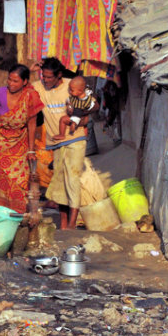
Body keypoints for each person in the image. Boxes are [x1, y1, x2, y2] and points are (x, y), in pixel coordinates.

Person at [32, 58, 98, 229]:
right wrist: (32, 70)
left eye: (49, 77)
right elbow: (23, 86)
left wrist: (81, 114)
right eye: (43, 76)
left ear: (59, 75)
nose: (45, 80)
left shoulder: (72, 85)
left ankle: (72, 223)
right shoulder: (39, 86)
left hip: (75, 139)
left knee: (73, 178)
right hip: (55, 143)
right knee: (60, 181)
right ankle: (63, 223)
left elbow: (95, 104)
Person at [0, 64, 44, 213]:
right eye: (9, 80)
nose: (11, 84)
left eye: (15, 81)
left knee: (17, 182)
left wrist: (31, 150)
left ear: (25, 82)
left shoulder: (30, 97)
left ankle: (16, 214)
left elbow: (31, 125)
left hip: (19, 145)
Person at [53, 76, 96, 141]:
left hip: (79, 116)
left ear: (80, 91)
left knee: (62, 120)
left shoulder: (84, 99)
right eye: (69, 90)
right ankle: (83, 134)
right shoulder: (77, 96)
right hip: (80, 117)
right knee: (84, 125)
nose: (70, 92)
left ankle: (62, 134)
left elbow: (92, 106)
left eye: (72, 90)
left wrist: (80, 110)